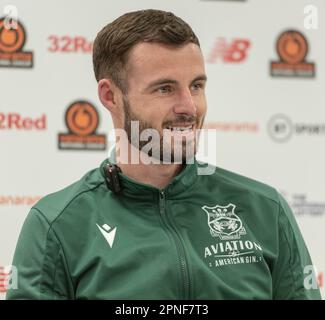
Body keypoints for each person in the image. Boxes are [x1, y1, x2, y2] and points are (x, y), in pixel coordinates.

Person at [6, 9, 321, 300]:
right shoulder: (56, 225)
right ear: (110, 96)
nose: (189, 107)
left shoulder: (265, 209)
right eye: (164, 89)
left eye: (196, 86)